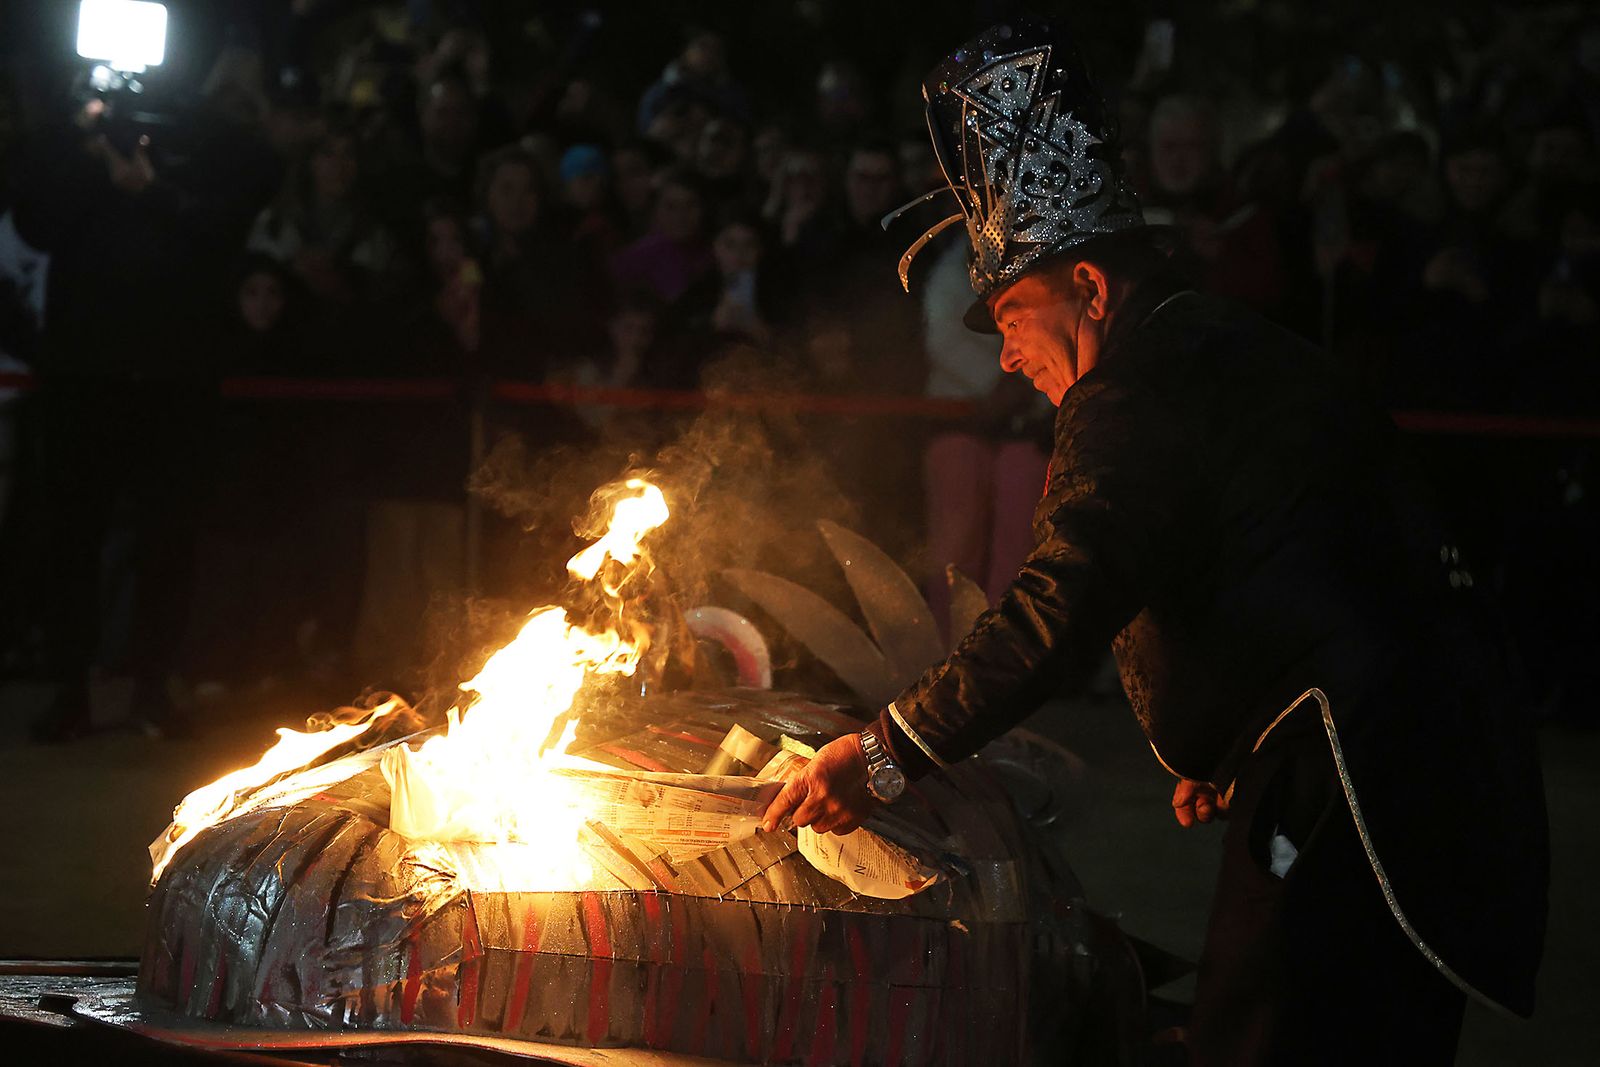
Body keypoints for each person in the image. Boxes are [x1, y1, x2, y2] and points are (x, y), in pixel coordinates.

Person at [763, 19, 1547, 1065]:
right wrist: (1239, 731)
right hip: (1385, 744)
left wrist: (885, 752)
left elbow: (1058, 606)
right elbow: (1290, 550)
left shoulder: (1130, 387)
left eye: (1010, 315)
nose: (1003, 356)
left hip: (1365, 763)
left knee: (1273, 1037)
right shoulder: (1208, 346)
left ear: (1087, 289)